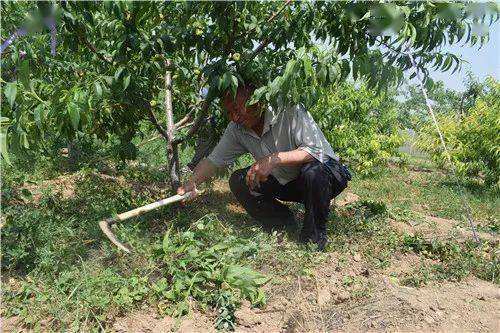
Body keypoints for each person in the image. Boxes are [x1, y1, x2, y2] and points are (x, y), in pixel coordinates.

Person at [177, 84, 351, 250]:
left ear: (256, 98)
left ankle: (313, 237)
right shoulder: (236, 129)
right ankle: (282, 222)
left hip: (326, 177)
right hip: (289, 182)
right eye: (229, 112)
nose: (234, 117)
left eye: (237, 109)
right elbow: (214, 161)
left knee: (314, 172)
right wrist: (192, 182)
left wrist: (275, 159)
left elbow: (317, 152)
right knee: (239, 180)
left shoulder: (289, 109)